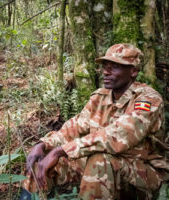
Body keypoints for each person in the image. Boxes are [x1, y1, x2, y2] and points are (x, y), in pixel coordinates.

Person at [21, 43, 169, 200]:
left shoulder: (147, 100)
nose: (106, 72)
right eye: (105, 66)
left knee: (99, 161)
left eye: (115, 67)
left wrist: (61, 150)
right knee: (40, 160)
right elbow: (73, 128)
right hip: (106, 166)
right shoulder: (100, 97)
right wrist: (44, 144)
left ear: (133, 71)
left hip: (142, 174)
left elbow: (117, 137)